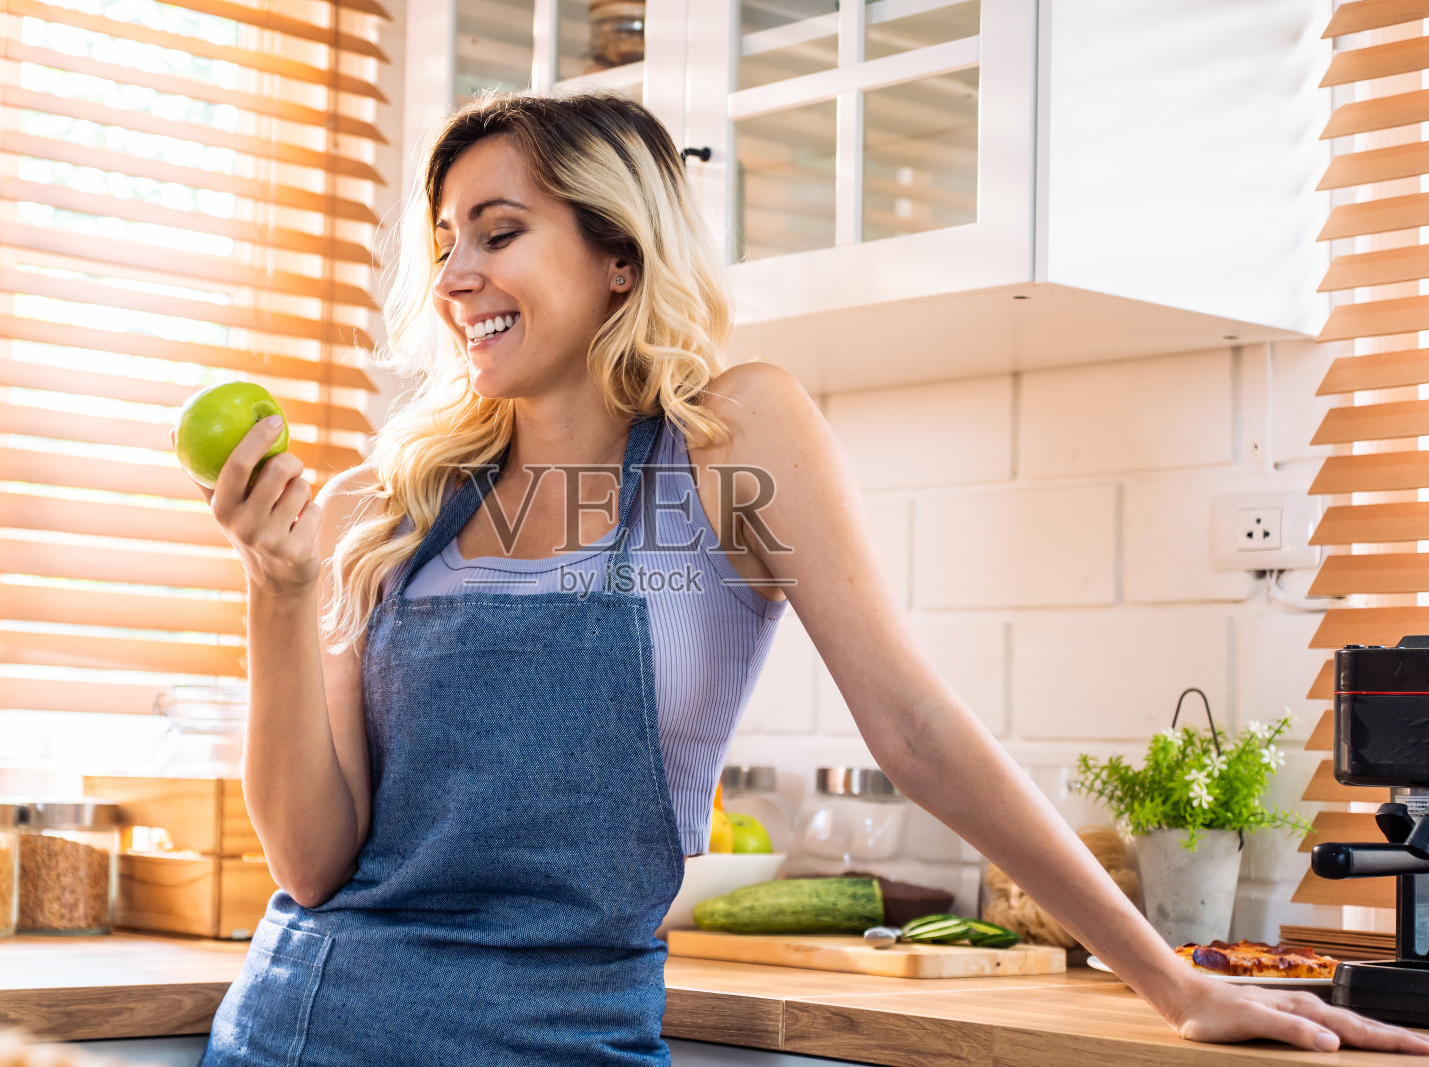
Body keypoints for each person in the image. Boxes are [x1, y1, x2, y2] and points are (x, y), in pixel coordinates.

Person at [183, 90, 1429, 1064]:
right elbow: (311, 860)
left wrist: (1166, 974)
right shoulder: (379, 506)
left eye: (499, 233)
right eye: (445, 239)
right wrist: (277, 592)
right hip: (308, 1019)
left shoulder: (732, 438)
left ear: (619, 255)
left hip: (553, 1038)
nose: (454, 275)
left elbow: (918, 728)